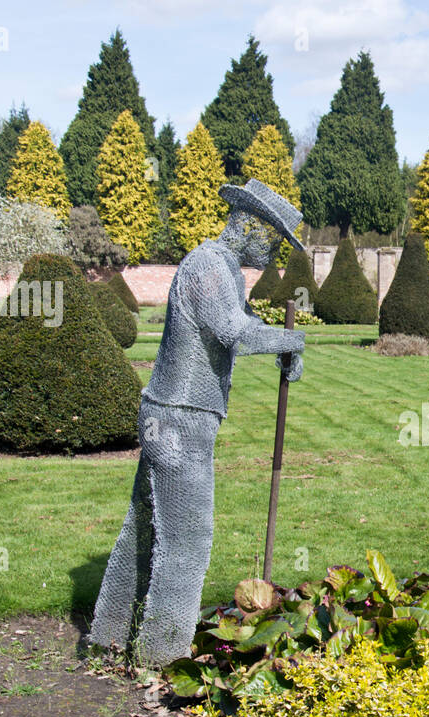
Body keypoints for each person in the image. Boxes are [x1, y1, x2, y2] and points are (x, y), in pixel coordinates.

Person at [88, 179, 306, 666]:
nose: (274, 256)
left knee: (145, 529)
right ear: (248, 224)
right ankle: (162, 657)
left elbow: (243, 322)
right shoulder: (208, 263)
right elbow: (232, 330)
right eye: (272, 241)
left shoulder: (226, 268)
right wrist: (292, 341)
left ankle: (108, 638)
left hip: (177, 414)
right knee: (187, 539)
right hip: (178, 419)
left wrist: (283, 348)